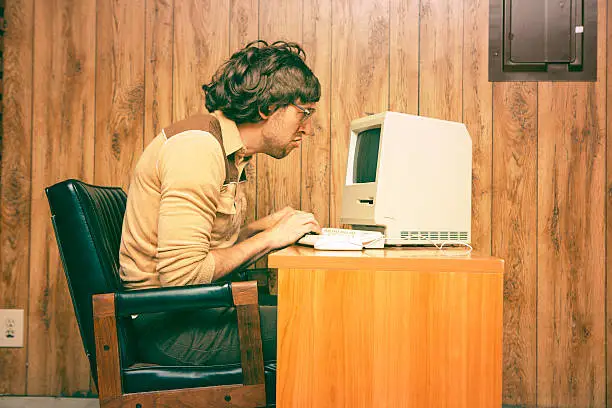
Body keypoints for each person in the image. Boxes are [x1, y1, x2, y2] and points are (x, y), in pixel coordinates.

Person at [118, 40, 322, 366]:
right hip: (168, 327)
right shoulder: (197, 149)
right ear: (268, 107)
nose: (309, 128)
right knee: (321, 324)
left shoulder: (227, 150)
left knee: (314, 309)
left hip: (189, 313)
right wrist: (269, 239)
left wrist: (262, 227)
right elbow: (183, 277)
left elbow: (205, 248)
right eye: (304, 112)